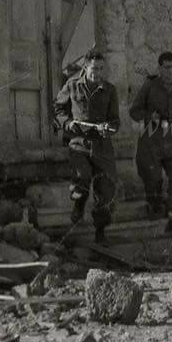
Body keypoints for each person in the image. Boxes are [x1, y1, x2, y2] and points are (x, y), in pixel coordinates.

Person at [53, 51, 120, 243]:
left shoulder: (109, 90)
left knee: (105, 190)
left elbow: (115, 121)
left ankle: (100, 232)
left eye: (101, 69)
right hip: (79, 143)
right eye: (94, 68)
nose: (97, 73)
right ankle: (79, 205)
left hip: (102, 146)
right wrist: (67, 124)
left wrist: (108, 128)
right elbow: (57, 109)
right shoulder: (72, 85)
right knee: (82, 177)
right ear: (85, 67)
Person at [129, 51, 172, 221]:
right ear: (159, 68)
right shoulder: (149, 86)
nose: (169, 71)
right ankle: (155, 206)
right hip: (151, 141)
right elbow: (134, 111)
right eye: (166, 67)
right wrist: (151, 117)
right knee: (153, 178)